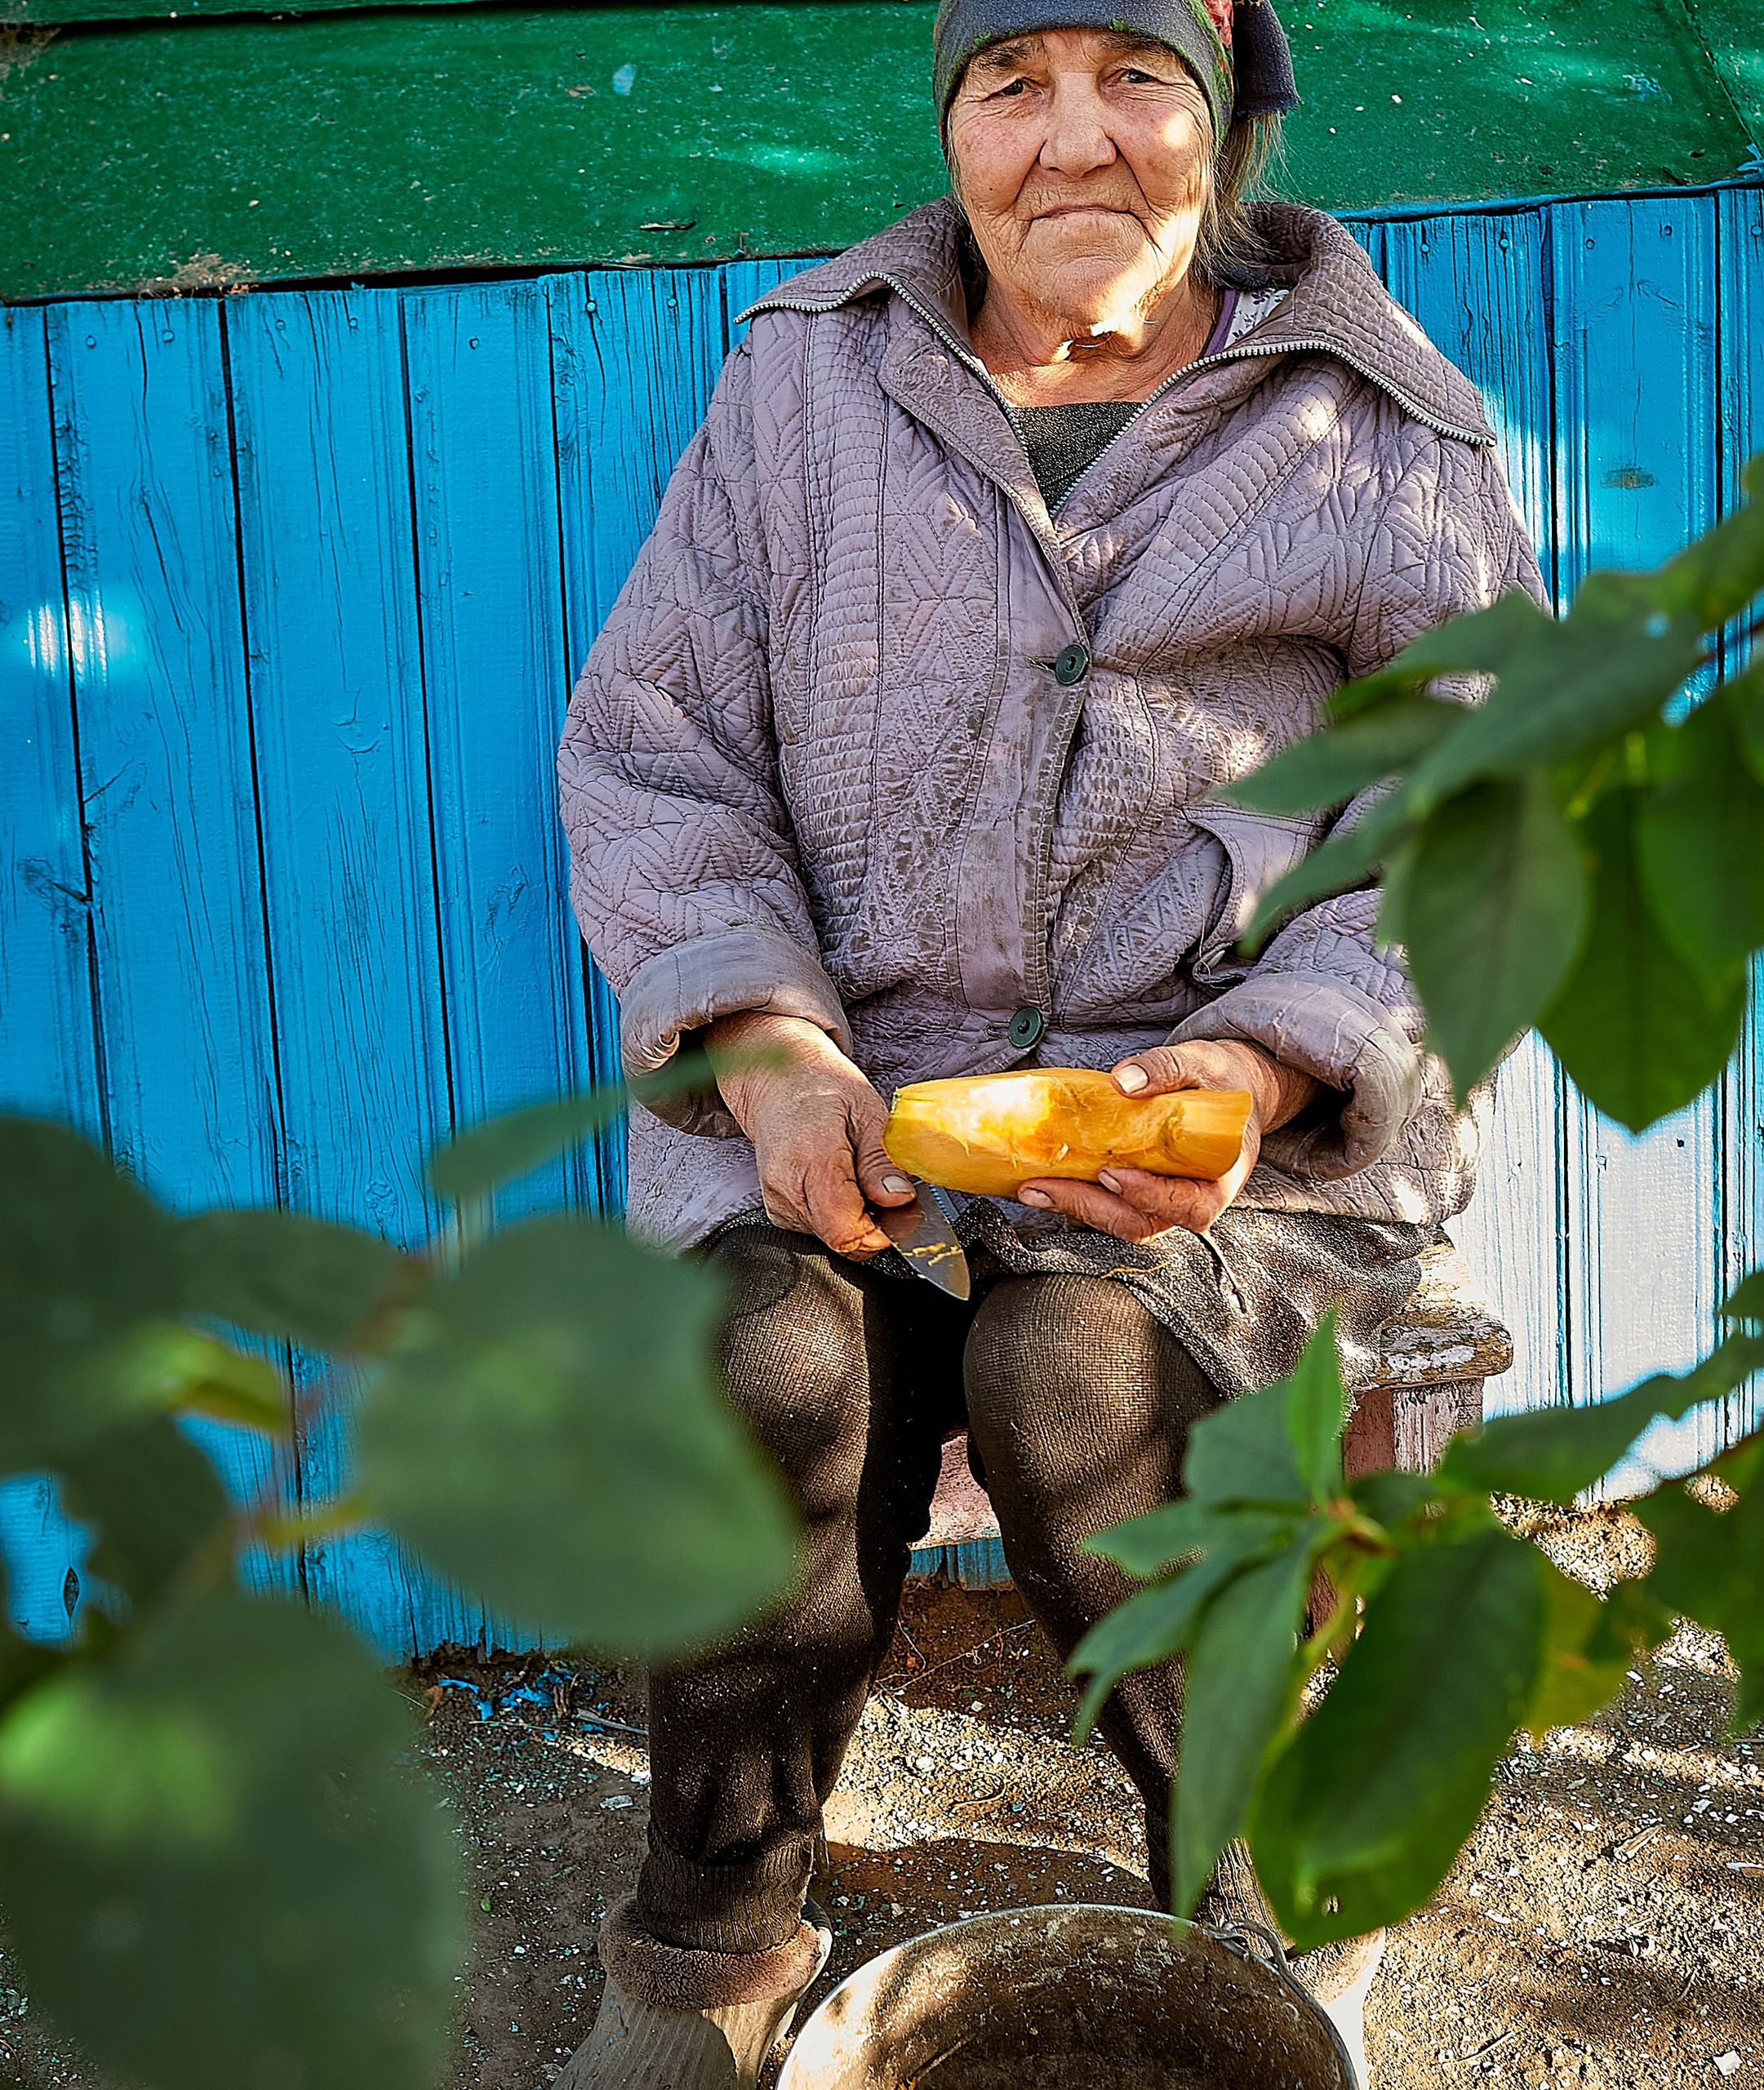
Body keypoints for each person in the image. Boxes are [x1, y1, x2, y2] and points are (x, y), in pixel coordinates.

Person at [553, 0, 1540, 2079]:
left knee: (1072, 1364)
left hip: (1234, 1141)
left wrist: (1267, 1064)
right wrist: (765, 1043)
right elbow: (658, 751)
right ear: (950, 124)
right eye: (1012, 83)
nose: (1071, 141)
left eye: (1134, 80)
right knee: (769, 1363)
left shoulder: (1380, 426)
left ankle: (1266, 1897)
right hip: (850, 1094)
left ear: (1224, 116)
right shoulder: (806, 381)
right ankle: (708, 1946)